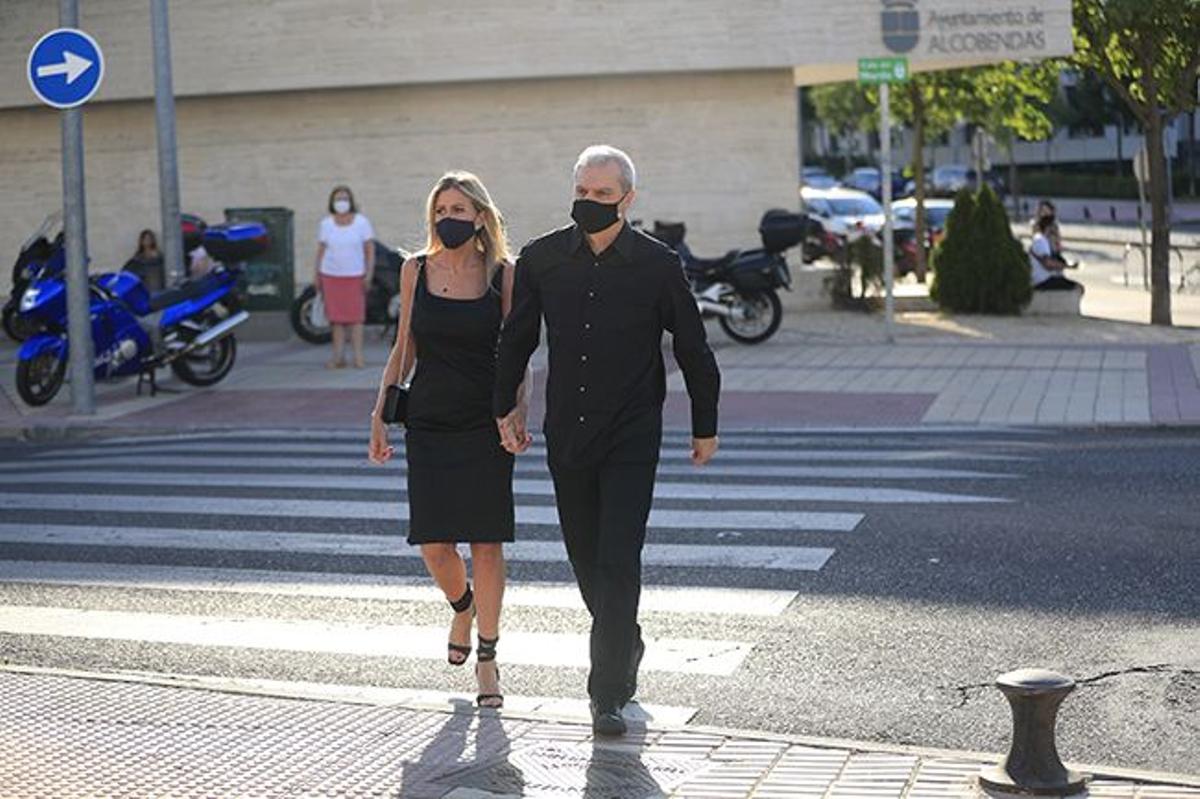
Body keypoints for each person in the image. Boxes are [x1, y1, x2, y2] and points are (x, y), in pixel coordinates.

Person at [493, 145, 721, 736]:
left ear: (628, 199)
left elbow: (694, 346)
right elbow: (516, 341)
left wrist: (705, 424)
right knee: (585, 561)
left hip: (632, 432)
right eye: (583, 192)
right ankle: (628, 641)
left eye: (602, 194)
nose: (589, 203)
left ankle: (607, 693)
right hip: (567, 428)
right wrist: (504, 411)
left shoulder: (657, 263)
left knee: (618, 560)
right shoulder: (543, 258)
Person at [368, 171, 523, 709]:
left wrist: (516, 412)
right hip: (430, 420)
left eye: (459, 210)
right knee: (434, 544)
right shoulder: (414, 270)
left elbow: (515, 355)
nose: (448, 220)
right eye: (441, 211)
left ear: (480, 216)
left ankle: (488, 658)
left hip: (484, 422)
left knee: (486, 541)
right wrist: (379, 411)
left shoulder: (503, 275)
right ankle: (462, 606)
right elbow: (405, 346)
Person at [316, 185, 376, 369]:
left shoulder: (361, 222)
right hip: (331, 276)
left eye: (344, 198)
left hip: (355, 275)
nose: (341, 202)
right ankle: (338, 357)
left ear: (350, 201)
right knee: (336, 319)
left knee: (356, 318)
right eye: (337, 199)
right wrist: (316, 275)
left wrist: (369, 273)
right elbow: (320, 251)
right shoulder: (326, 224)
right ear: (332, 203)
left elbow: (369, 250)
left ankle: (358, 357)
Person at [1030, 215, 1083, 293]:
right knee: (1078, 288)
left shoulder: (1043, 240)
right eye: (1054, 226)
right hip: (1042, 281)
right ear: (1048, 227)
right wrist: (1068, 266)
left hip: (1045, 279)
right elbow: (1048, 263)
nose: (1057, 228)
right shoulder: (1040, 240)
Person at [122, 229, 165, 293]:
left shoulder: (159, 256)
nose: (148, 241)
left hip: (159, 287)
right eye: (145, 239)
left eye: (150, 238)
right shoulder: (137, 258)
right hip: (145, 288)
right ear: (141, 241)